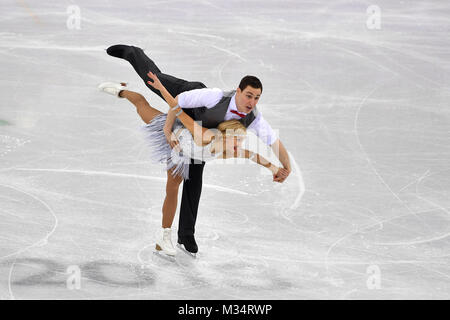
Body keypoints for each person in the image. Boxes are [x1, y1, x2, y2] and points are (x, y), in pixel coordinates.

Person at [105, 44, 291, 255]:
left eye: (256, 98)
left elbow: (268, 145)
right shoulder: (212, 97)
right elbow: (176, 104)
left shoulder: (250, 122)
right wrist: (168, 130)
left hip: (199, 142)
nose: (252, 102)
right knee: (154, 81)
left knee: (194, 182)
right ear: (238, 91)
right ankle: (133, 54)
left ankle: (185, 235)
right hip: (188, 105)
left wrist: (282, 167)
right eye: (249, 95)